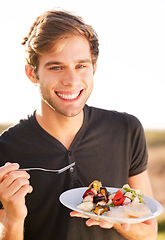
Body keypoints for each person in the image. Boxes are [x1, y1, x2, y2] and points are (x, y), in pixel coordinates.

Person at [0, 10, 157, 240]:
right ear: (32, 73)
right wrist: (13, 219)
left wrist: (116, 222)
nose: (71, 81)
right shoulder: (6, 149)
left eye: (81, 65)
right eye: (56, 67)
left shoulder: (127, 130)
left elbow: (149, 231)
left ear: (94, 67)